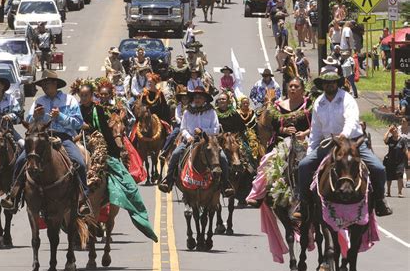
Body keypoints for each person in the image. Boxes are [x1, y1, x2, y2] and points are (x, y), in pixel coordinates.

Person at [298, 66, 393, 217]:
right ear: (322, 85)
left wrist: (344, 134)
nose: (330, 85)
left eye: (333, 82)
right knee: (303, 166)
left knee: (379, 168)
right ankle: (303, 204)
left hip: (352, 142)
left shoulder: (347, 99)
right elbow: (315, 131)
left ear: (338, 83)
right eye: (326, 83)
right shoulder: (318, 103)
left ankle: (380, 202)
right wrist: (311, 152)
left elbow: (352, 120)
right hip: (329, 143)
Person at [1, 70, 90, 215]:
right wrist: (35, 116)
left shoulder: (69, 100)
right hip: (41, 138)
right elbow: (29, 122)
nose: (44, 87)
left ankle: (82, 199)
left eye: (47, 84)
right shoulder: (39, 101)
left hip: (64, 137)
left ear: (55, 84)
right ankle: (14, 195)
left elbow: (78, 123)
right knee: (21, 160)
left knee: (79, 162)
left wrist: (60, 116)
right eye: (43, 85)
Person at [247, 78, 312, 207]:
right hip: (284, 141)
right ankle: (257, 194)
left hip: (306, 140)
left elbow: (316, 124)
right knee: (266, 160)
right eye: (290, 86)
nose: (292, 88)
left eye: (296, 86)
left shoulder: (309, 105)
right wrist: (285, 129)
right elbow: (274, 127)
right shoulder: (279, 106)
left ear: (303, 90)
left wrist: (304, 133)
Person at [158, 87, 232, 196]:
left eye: (200, 97)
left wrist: (203, 131)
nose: (197, 99)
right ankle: (168, 180)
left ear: (204, 99)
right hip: (190, 141)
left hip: (208, 141)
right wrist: (188, 137)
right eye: (196, 97)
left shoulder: (211, 112)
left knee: (223, 158)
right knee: (175, 154)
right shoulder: (188, 112)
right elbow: (183, 128)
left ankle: (225, 184)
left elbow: (216, 129)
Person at [160, 85, 189, 160]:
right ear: (181, 99)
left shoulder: (191, 106)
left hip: (190, 125)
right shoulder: (179, 106)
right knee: (172, 135)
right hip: (180, 125)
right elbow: (177, 116)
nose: (185, 100)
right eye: (183, 98)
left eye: (186, 98)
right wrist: (181, 121)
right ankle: (164, 151)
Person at [384, 124, 406, 198]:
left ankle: (400, 192)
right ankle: (388, 191)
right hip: (390, 161)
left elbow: (405, 150)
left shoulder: (402, 139)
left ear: (397, 129)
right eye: (392, 130)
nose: (394, 131)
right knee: (389, 177)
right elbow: (384, 140)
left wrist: (408, 159)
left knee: (400, 176)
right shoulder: (390, 139)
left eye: (395, 129)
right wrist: (388, 130)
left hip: (400, 162)